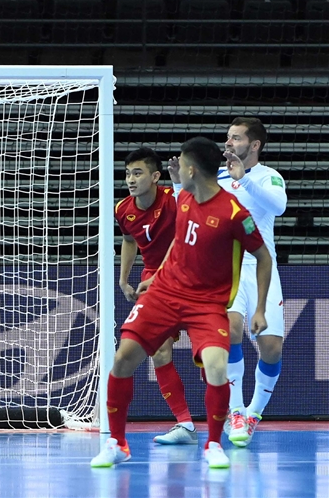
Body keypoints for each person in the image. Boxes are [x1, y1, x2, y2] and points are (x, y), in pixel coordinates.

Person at [91, 137, 272, 470]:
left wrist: (259, 308)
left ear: (192, 169)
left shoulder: (234, 213)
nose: (177, 169)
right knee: (122, 359)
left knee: (217, 366)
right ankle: (116, 443)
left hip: (207, 302)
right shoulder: (184, 196)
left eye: (181, 165)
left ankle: (214, 444)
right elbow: (177, 243)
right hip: (165, 292)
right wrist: (155, 275)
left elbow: (264, 257)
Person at [115, 147, 196, 445]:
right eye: (127, 174)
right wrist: (124, 279)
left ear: (155, 176)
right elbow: (128, 241)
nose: (131, 179)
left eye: (137, 173)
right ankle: (185, 425)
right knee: (159, 352)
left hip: (189, 275)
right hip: (153, 280)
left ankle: (232, 413)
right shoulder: (123, 209)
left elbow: (185, 234)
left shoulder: (173, 199)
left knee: (210, 350)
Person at [221, 117, 287, 447]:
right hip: (227, 267)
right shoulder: (216, 177)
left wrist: (244, 180)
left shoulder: (269, 177)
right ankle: (234, 411)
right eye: (228, 137)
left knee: (272, 349)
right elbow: (186, 207)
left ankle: (252, 414)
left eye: (236, 138)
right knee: (231, 328)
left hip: (263, 266)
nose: (229, 143)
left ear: (254, 145)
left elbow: (279, 206)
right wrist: (177, 186)